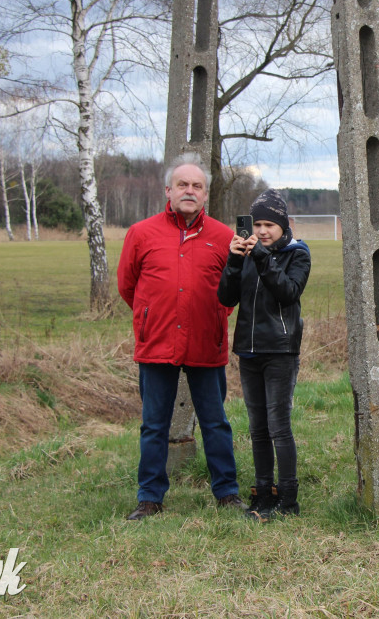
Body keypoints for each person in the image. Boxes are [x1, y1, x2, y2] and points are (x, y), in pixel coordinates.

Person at [117, 154, 245, 520]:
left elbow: (231, 290)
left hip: (206, 342)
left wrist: (214, 316)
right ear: (168, 190)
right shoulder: (141, 233)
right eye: (183, 185)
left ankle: (227, 492)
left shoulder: (223, 237)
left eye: (197, 186)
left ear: (206, 194)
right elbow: (128, 286)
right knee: (154, 424)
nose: (189, 191)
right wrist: (150, 315)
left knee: (215, 421)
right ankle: (150, 497)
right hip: (157, 343)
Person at [218, 189, 311, 521]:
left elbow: (287, 291)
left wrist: (260, 257)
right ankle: (263, 493)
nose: (262, 231)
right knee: (257, 427)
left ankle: (288, 498)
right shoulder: (246, 254)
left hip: (281, 351)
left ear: (283, 226)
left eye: (270, 224)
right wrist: (233, 260)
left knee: (278, 426)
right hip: (249, 350)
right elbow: (226, 298)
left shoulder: (297, 255)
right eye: (257, 224)